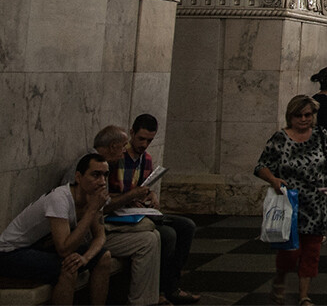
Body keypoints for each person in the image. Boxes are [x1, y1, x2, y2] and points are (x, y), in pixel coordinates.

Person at [255, 94, 327, 306]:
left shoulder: (321, 135)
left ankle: (304, 295)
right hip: (289, 203)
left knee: (311, 252)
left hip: (316, 203)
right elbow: (260, 167)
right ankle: (281, 278)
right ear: (290, 116)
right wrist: (273, 179)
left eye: (308, 115)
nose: (303, 119)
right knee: (290, 252)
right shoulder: (280, 139)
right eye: (298, 115)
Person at [107, 113, 200, 305]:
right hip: (118, 215)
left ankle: (172, 286)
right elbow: (107, 197)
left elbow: (142, 188)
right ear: (132, 133)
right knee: (167, 235)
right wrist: (130, 197)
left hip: (137, 212)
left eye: (149, 140)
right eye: (141, 139)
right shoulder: (117, 158)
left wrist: (151, 196)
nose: (144, 145)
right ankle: (158, 291)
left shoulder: (145, 159)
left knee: (187, 226)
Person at [0, 153, 112, 305]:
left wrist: (85, 258)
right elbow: (64, 250)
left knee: (104, 256)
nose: (102, 182)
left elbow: (100, 236)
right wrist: (91, 211)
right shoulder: (60, 198)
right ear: (78, 177)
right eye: (95, 175)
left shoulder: (95, 197)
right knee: (67, 269)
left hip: (43, 248)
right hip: (11, 252)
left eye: (105, 175)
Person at [67, 126, 161, 305]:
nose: (125, 151)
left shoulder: (100, 165)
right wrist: (130, 196)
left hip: (97, 228)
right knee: (149, 238)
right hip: (84, 234)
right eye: (123, 146)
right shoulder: (91, 167)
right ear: (112, 147)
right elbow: (94, 209)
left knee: (152, 236)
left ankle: (145, 301)